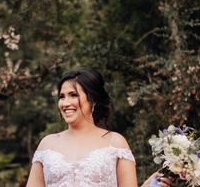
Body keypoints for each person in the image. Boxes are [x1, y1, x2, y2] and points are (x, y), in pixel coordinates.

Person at [26, 67, 171, 187]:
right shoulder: (47, 144)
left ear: (92, 101)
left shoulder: (115, 143)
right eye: (62, 96)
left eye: (73, 95)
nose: (65, 103)